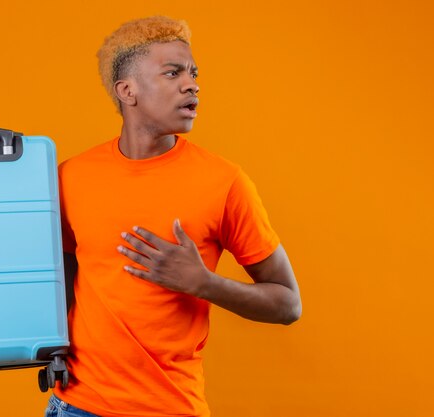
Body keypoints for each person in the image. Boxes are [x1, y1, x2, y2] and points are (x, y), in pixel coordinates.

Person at [46, 15, 302, 417]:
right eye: (173, 73)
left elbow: (288, 304)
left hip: (171, 407)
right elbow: (55, 275)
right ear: (127, 90)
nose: (192, 84)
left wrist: (204, 283)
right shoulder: (70, 177)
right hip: (77, 405)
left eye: (194, 73)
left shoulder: (225, 182)